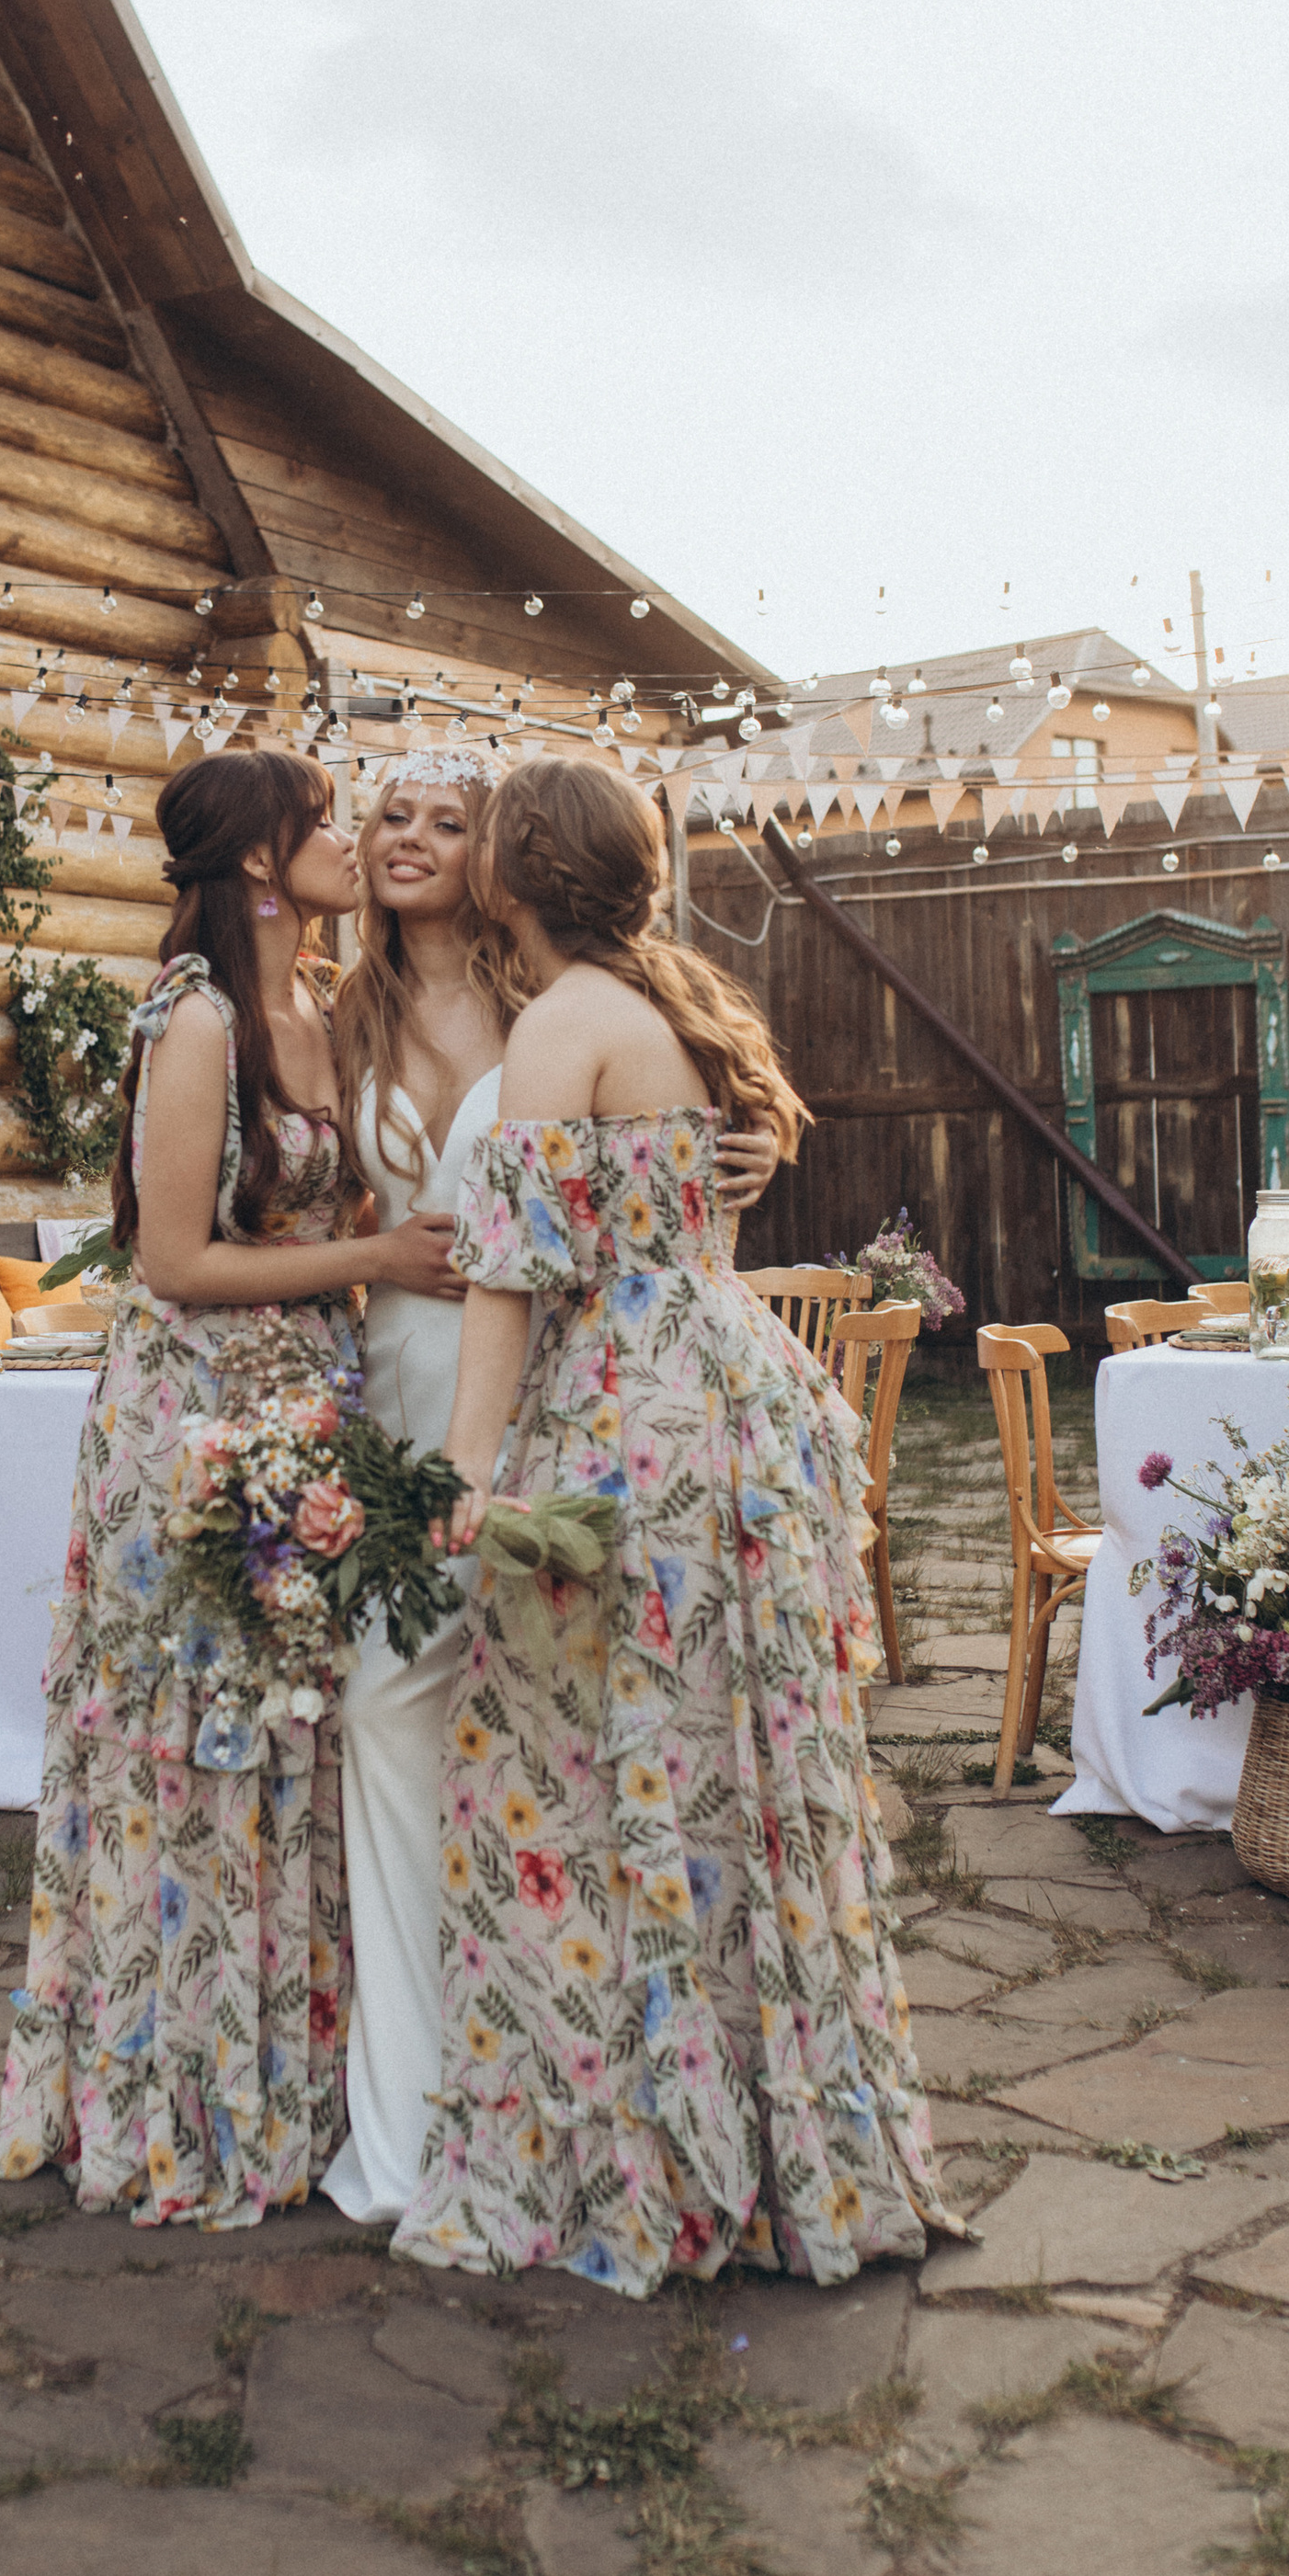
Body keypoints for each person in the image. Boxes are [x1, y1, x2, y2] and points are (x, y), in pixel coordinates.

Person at [394, 755, 954, 2296]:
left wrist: (464, 1472)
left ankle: (642, 2143)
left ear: (513, 873)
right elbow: (690, 1195)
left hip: (632, 1418)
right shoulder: (668, 1004)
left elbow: (511, 1274)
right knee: (720, 1767)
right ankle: (757, 2125)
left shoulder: (563, 1021)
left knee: (586, 1769)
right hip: (722, 1397)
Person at [0, 747, 462, 2228]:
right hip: (195, 1422)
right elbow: (173, 1259)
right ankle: (184, 2097)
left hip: (313, 1401)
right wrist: (375, 1258)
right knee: (204, 1745)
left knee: (301, 1734)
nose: (352, 838)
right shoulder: (195, 1020)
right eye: (324, 821)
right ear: (262, 860)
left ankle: (305, 2091)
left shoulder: (323, 1005)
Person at [320, 748, 786, 2229]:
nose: (418, 841)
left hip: (563, 1406)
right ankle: (442, 2098)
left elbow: (545, 1245)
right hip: (445, 1381)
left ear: (509, 866)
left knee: (562, 1746)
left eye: (458, 824)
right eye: (392, 817)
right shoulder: (355, 1015)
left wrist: (749, 1153)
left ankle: (541, 2098)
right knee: (452, 1723)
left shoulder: (563, 1010)